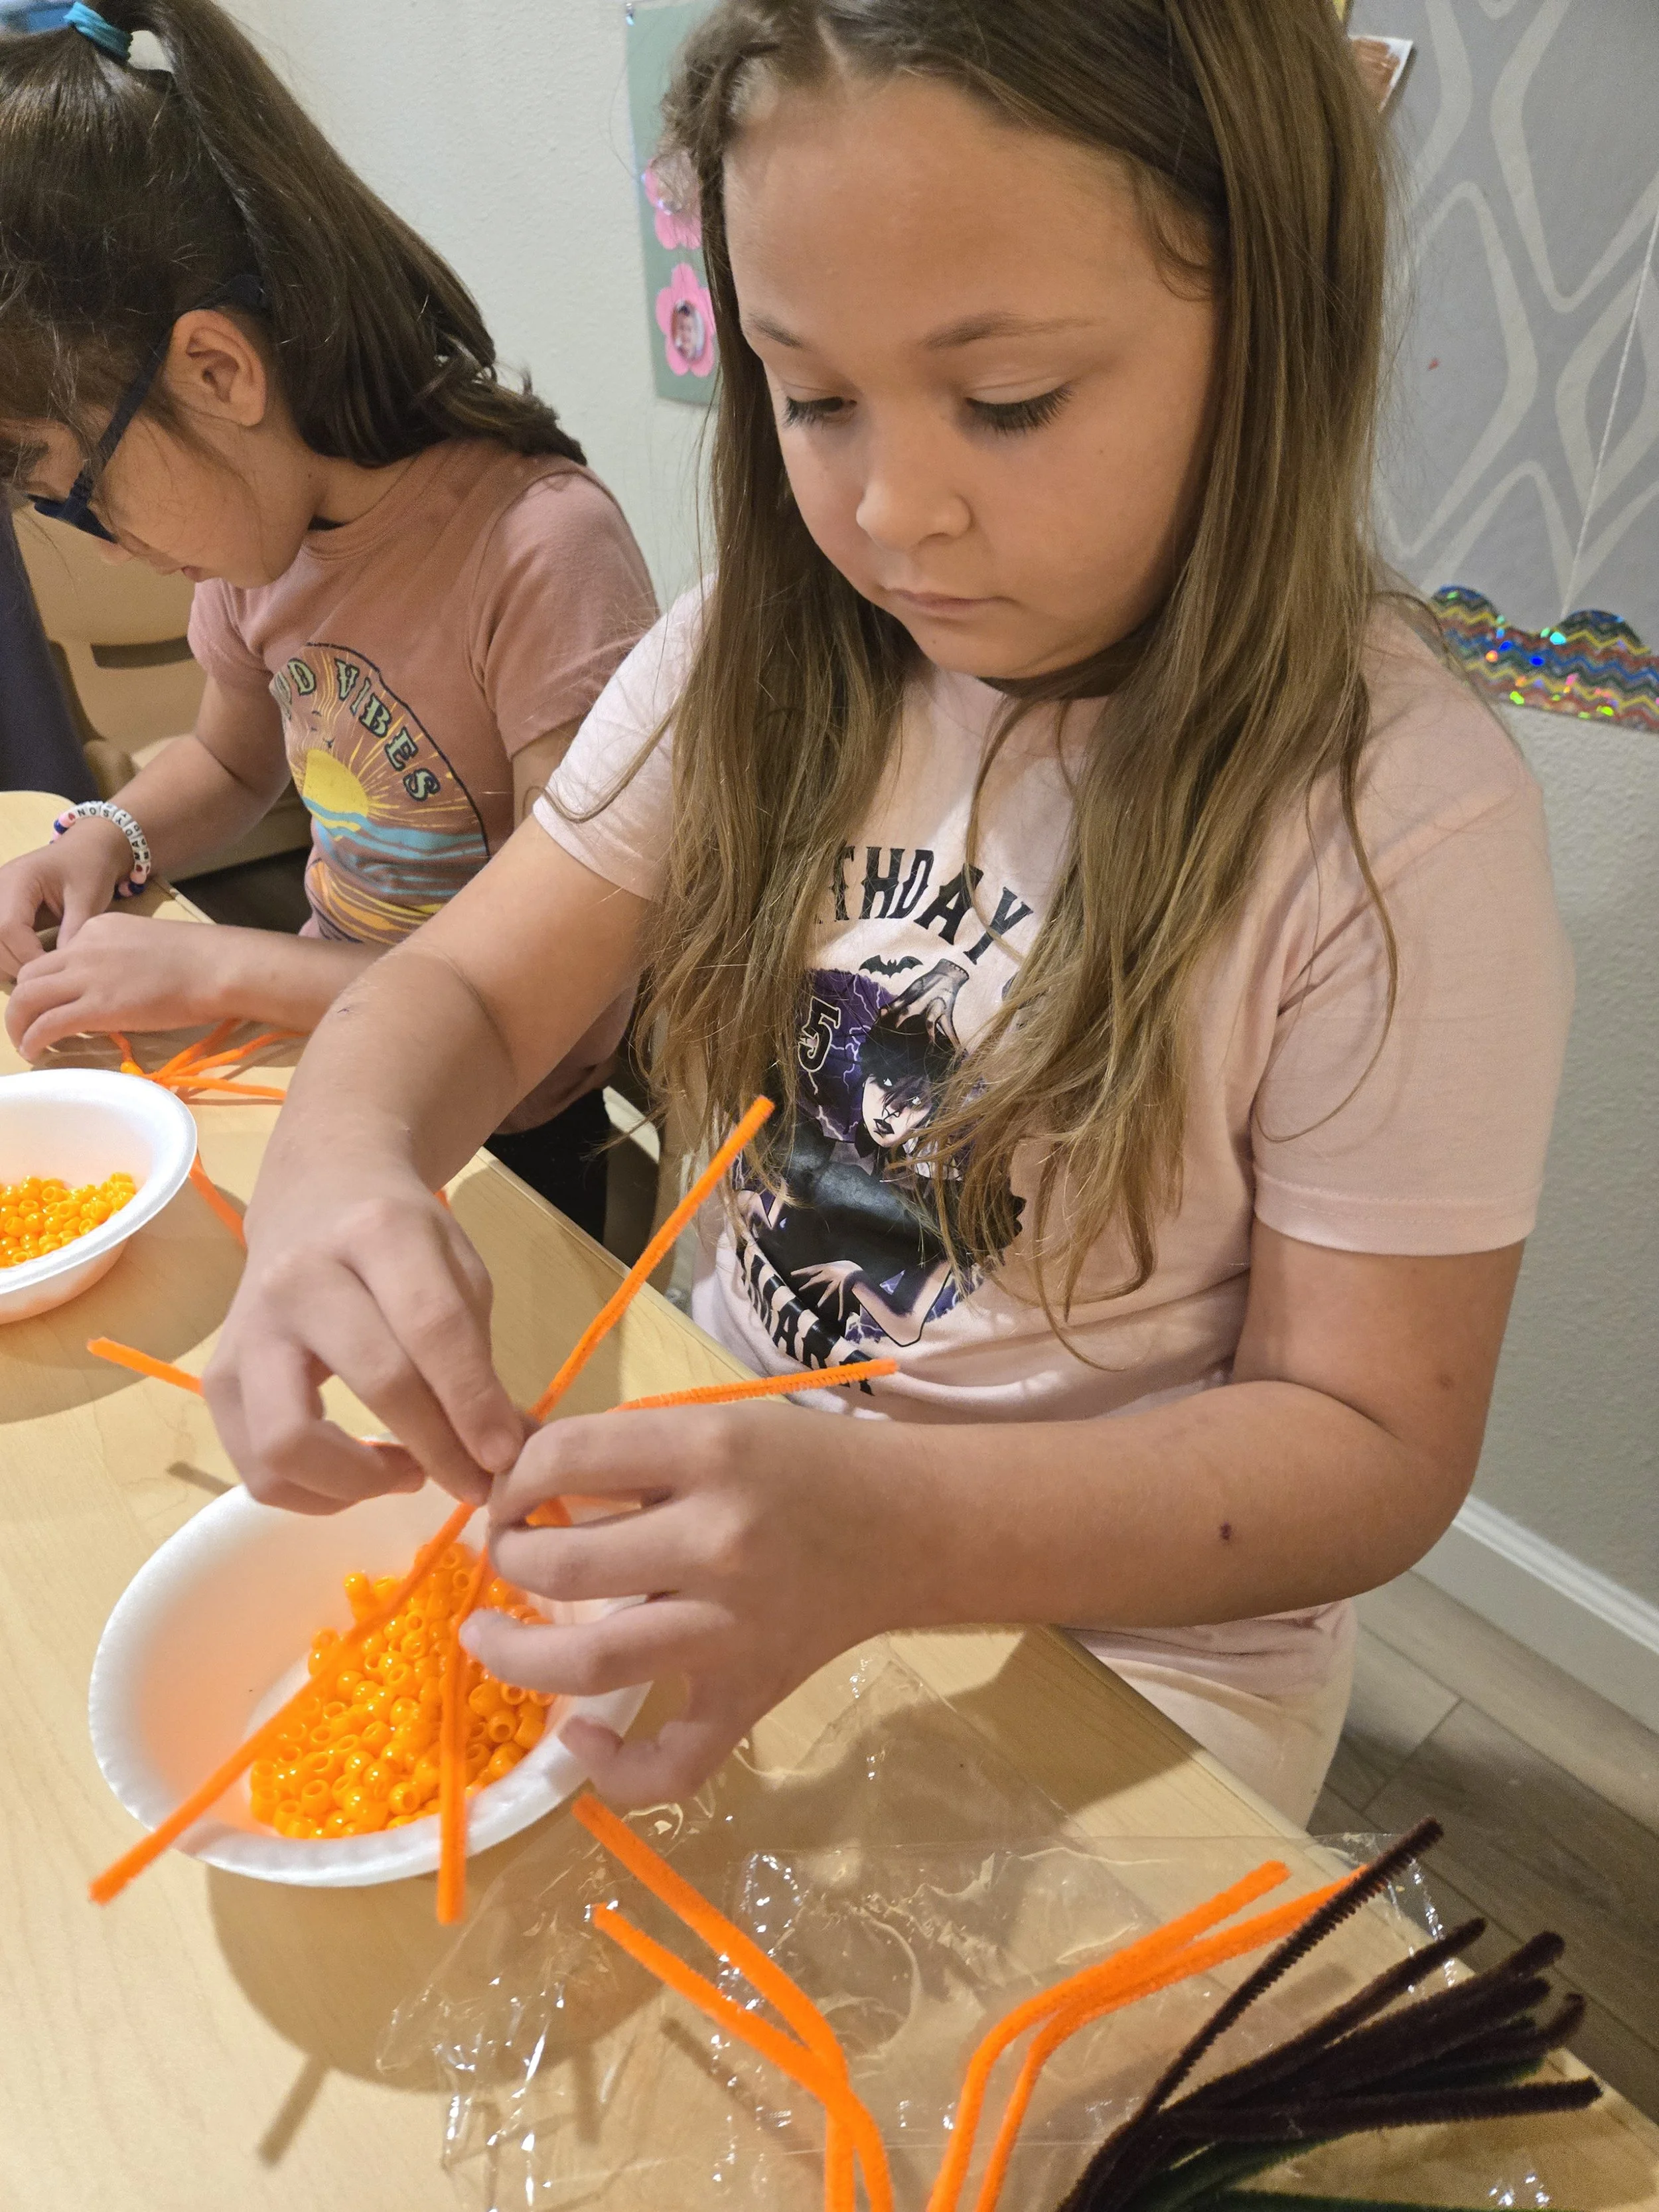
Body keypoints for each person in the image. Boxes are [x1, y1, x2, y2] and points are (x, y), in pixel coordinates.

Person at [202, 0, 1572, 1824]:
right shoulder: (750, 660)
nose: (889, 507)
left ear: (1268, 331)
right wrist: (340, 1151)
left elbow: (1370, 1449)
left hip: (1125, 1659)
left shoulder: (1394, 816)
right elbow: (465, 986)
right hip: (728, 1492)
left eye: (1006, 402)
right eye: (811, 393)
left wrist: (892, 1531)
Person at [0, 0, 657, 1234]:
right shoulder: (262, 550)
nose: (118, 549)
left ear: (218, 373)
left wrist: (224, 965)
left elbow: (565, 970)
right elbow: (229, 761)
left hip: (504, 1109)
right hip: (333, 1043)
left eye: (82, 493)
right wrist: (107, 837)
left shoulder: (540, 550)